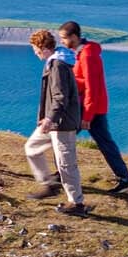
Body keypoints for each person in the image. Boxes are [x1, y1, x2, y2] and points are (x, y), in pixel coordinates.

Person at [62, 20, 128, 194]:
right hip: (90, 106)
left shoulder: (87, 55)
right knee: (94, 141)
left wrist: (87, 116)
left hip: (91, 108)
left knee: (67, 138)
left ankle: (125, 179)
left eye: (64, 38)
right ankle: (124, 178)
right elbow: (84, 81)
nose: (63, 42)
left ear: (74, 36)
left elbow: (92, 87)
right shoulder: (82, 52)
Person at [24, 28, 86, 215]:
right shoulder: (54, 62)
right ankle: (49, 184)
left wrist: (50, 118)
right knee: (31, 148)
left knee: (66, 164)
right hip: (53, 122)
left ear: (43, 48)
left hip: (62, 123)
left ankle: (77, 204)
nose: (35, 53)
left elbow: (60, 97)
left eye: (35, 49)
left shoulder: (57, 65)